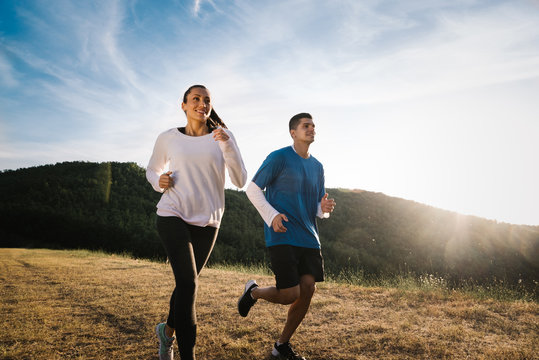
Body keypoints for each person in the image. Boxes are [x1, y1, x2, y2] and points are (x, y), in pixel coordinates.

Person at [146, 85, 247, 360]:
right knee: (189, 284)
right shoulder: (168, 138)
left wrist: (227, 145)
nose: (202, 104)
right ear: (184, 106)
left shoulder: (222, 136)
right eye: (195, 99)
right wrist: (159, 181)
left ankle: (166, 333)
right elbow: (152, 169)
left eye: (207, 100)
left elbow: (240, 180)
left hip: (208, 221)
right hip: (172, 213)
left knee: (184, 285)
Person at [238, 113, 336, 360]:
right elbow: (252, 189)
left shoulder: (318, 167)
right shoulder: (279, 157)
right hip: (282, 235)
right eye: (306, 126)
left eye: (313, 125)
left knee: (308, 289)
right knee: (290, 294)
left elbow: (315, 205)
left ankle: (281, 346)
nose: (311, 129)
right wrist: (271, 216)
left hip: (309, 238)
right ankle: (254, 292)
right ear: (293, 132)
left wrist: (322, 210)